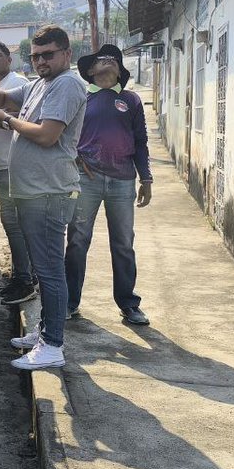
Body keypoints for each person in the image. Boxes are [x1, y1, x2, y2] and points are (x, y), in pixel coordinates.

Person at [0, 25, 86, 370]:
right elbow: (7, 98)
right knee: (44, 267)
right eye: (35, 56)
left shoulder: (67, 83)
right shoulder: (39, 84)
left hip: (48, 191)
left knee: (49, 272)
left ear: (66, 54)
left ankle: (53, 346)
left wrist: (5, 120)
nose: (41, 61)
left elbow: (48, 135)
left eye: (48, 55)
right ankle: (45, 331)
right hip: (34, 190)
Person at [64, 44, 153, 326]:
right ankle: (69, 302)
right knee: (77, 241)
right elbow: (62, 132)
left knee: (124, 243)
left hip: (123, 181)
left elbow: (141, 142)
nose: (109, 61)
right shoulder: (79, 97)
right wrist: (76, 158)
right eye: (101, 59)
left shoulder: (131, 100)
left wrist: (146, 178)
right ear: (90, 71)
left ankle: (128, 304)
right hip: (85, 181)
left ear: (120, 70)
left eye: (114, 59)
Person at [0, 41, 36, 305]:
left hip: (13, 164)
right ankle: (22, 274)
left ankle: (25, 280)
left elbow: (20, 122)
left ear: (9, 59)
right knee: (12, 222)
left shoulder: (17, 84)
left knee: (15, 223)